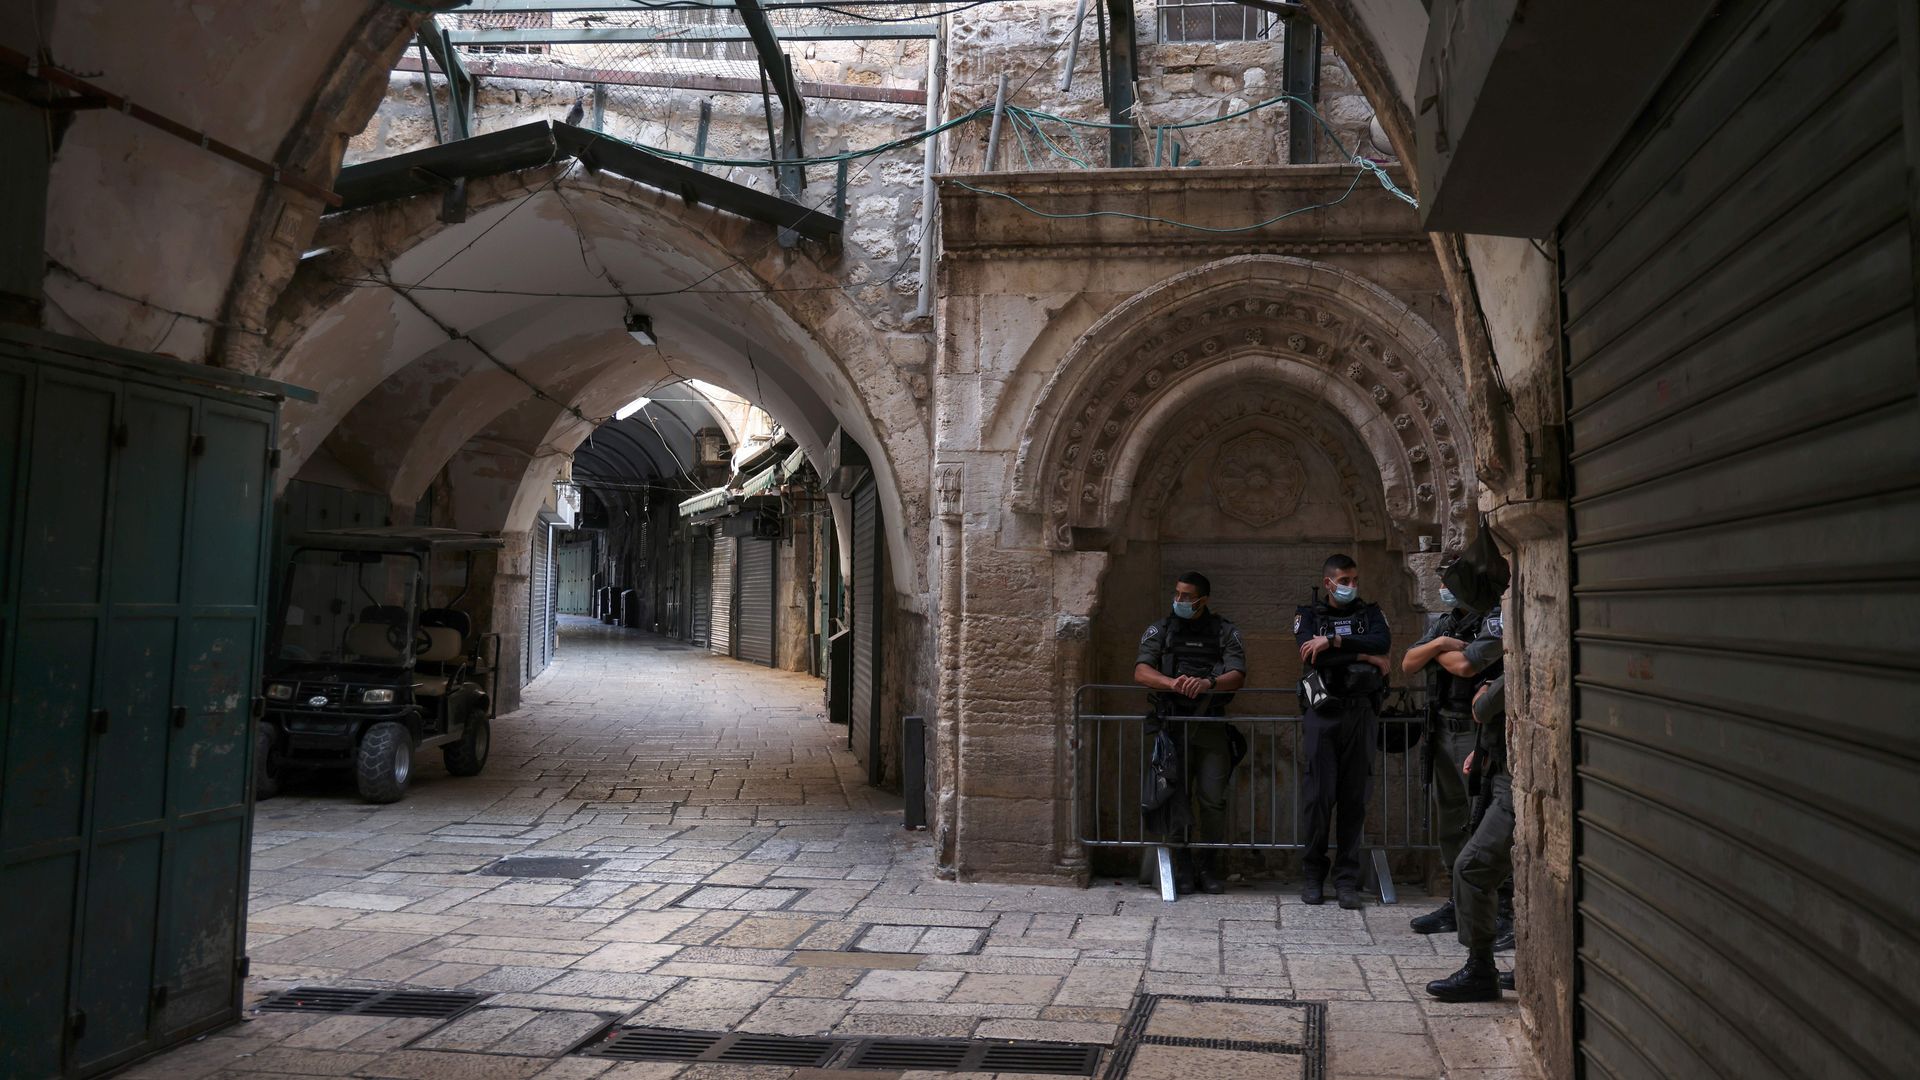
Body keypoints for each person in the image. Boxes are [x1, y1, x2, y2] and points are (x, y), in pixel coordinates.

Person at [1133, 571, 1248, 895]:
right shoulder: (1163, 629)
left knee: (1213, 801)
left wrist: (1208, 683)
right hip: (1172, 729)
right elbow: (1141, 670)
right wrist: (1172, 684)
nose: (1179, 601)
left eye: (1186, 596)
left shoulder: (1224, 631)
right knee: (1175, 799)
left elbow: (1237, 673)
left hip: (1210, 726)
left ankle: (1209, 866)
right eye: (1177, 594)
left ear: (1203, 600)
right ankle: (1182, 866)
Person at [1428, 583, 1516, 1001]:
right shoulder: (1465, 626)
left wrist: (1483, 691)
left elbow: (1480, 698)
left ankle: (1482, 968)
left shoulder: (1505, 634)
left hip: (1511, 779)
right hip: (1495, 763)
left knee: (1473, 866)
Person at [1293, 554, 1391, 909]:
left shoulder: (1370, 615)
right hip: (1324, 713)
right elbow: (1311, 657)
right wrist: (1363, 657)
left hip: (1361, 713)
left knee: (1354, 799)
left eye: (1354, 580)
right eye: (1344, 581)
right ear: (1329, 582)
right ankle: (1313, 875)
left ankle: (1347, 879)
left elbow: (1381, 644)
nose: (1351, 586)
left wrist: (1333, 643)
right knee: (1318, 798)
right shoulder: (1308, 616)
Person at [1400, 581, 1488, 934]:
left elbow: (1467, 666)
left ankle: (1490, 906)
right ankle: (1457, 901)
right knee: (1450, 817)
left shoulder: (1490, 620)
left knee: (1480, 818)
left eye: (1453, 582)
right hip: (1441, 727)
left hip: (1472, 731)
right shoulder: (1445, 624)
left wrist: (1433, 653)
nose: (1447, 589)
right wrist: (1438, 644)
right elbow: (1408, 662)